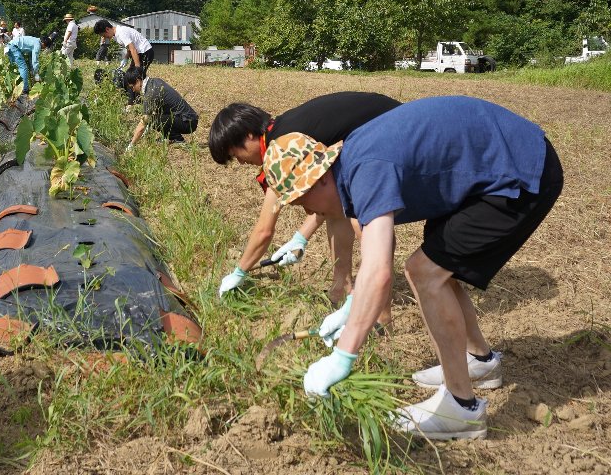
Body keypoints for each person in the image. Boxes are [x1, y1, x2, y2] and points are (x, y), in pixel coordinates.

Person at [259, 96, 562, 440]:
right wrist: (352, 309)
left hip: (519, 170)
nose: (305, 212)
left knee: (425, 271)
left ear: (317, 180)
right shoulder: (352, 166)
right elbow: (379, 255)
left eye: (301, 202)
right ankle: (480, 360)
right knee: (434, 265)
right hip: (487, 166)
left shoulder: (366, 169)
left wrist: (343, 355)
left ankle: (462, 411)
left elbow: (377, 270)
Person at [210, 93, 401, 305]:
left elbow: (264, 230)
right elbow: (328, 201)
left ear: (249, 136)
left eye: (235, 155)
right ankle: (341, 288)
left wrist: (239, 272)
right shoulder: (282, 131)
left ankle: (380, 311)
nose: (240, 163)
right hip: (384, 124)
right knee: (341, 209)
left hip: (394, 129)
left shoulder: (283, 148)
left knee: (364, 219)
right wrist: (301, 238)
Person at [122, 67, 198, 148]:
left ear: (138, 81)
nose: (133, 90)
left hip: (188, 122)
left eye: (132, 87)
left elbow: (143, 123)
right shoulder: (154, 82)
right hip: (188, 119)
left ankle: (176, 138)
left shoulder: (150, 93)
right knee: (154, 117)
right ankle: (169, 137)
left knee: (152, 120)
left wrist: (131, 145)